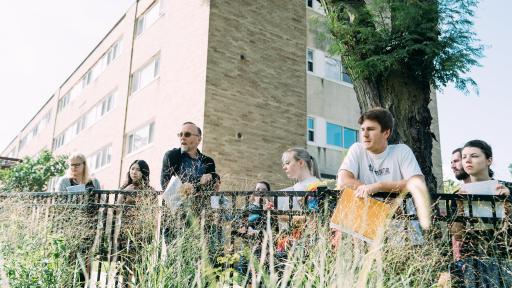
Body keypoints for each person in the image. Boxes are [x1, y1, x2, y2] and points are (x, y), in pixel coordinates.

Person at [332, 107, 424, 243]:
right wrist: (381, 203)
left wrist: (379, 186)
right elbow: (343, 181)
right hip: (364, 234)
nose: (364, 134)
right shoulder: (357, 149)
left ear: (386, 133)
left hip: (402, 236)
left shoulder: (401, 151)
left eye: (370, 129)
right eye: (362, 129)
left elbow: (417, 182)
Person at [449, 140, 511, 287]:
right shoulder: (458, 195)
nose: (468, 160)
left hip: (505, 256)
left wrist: (507, 202)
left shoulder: (507, 188)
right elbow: (457, 235)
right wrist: (460, 207)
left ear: (489, 160)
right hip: (473, 259)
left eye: (474, 156)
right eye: (464, 157)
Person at [160, 122, 218, 193]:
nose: (182, 137)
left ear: (199, 139)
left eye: (187, 134)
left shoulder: (208, 161)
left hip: (201, 203)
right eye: (180, 134)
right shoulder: (171, 156)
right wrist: (190, 186)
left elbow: (212, 189)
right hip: (177, 203)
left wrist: (212, 177)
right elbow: (165, 185)